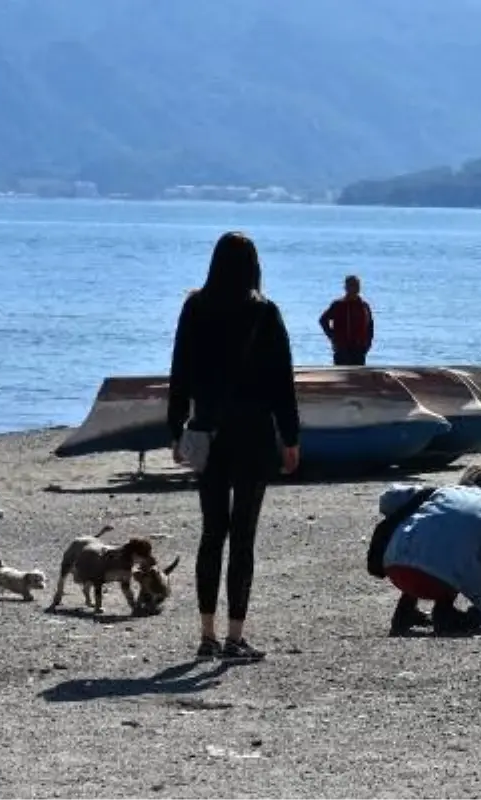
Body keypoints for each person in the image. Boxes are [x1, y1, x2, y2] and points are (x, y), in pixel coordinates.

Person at [168, 232, 302, 662]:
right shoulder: (264, 313)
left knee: (212, 534)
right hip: (255, 435)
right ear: (253, 266)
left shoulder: (195, 307)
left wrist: (176, 431)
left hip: (208, 432)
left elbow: (180, 373)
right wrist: (291, 437)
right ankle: (234, 636)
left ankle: (205, 635)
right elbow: (283, 382)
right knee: (242, 537)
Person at [373, 465, 481, 635]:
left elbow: (389, 499)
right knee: (455, 554)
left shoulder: (443, 492)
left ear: (463, 482)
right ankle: (443, 613)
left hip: (396, 564)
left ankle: (405, 611)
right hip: (437, 578)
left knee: (429, 541)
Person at [319, 275, 374, 366]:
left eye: (356, 285)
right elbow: (323, 320)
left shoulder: (364, 306)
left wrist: (368, 343)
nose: (355, 288)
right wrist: (333, 337)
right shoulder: (338, 305)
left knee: (357, 377)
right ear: (346, 288)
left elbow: (370, 326)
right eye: (352, 285)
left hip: (359, 349)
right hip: (342, 349)